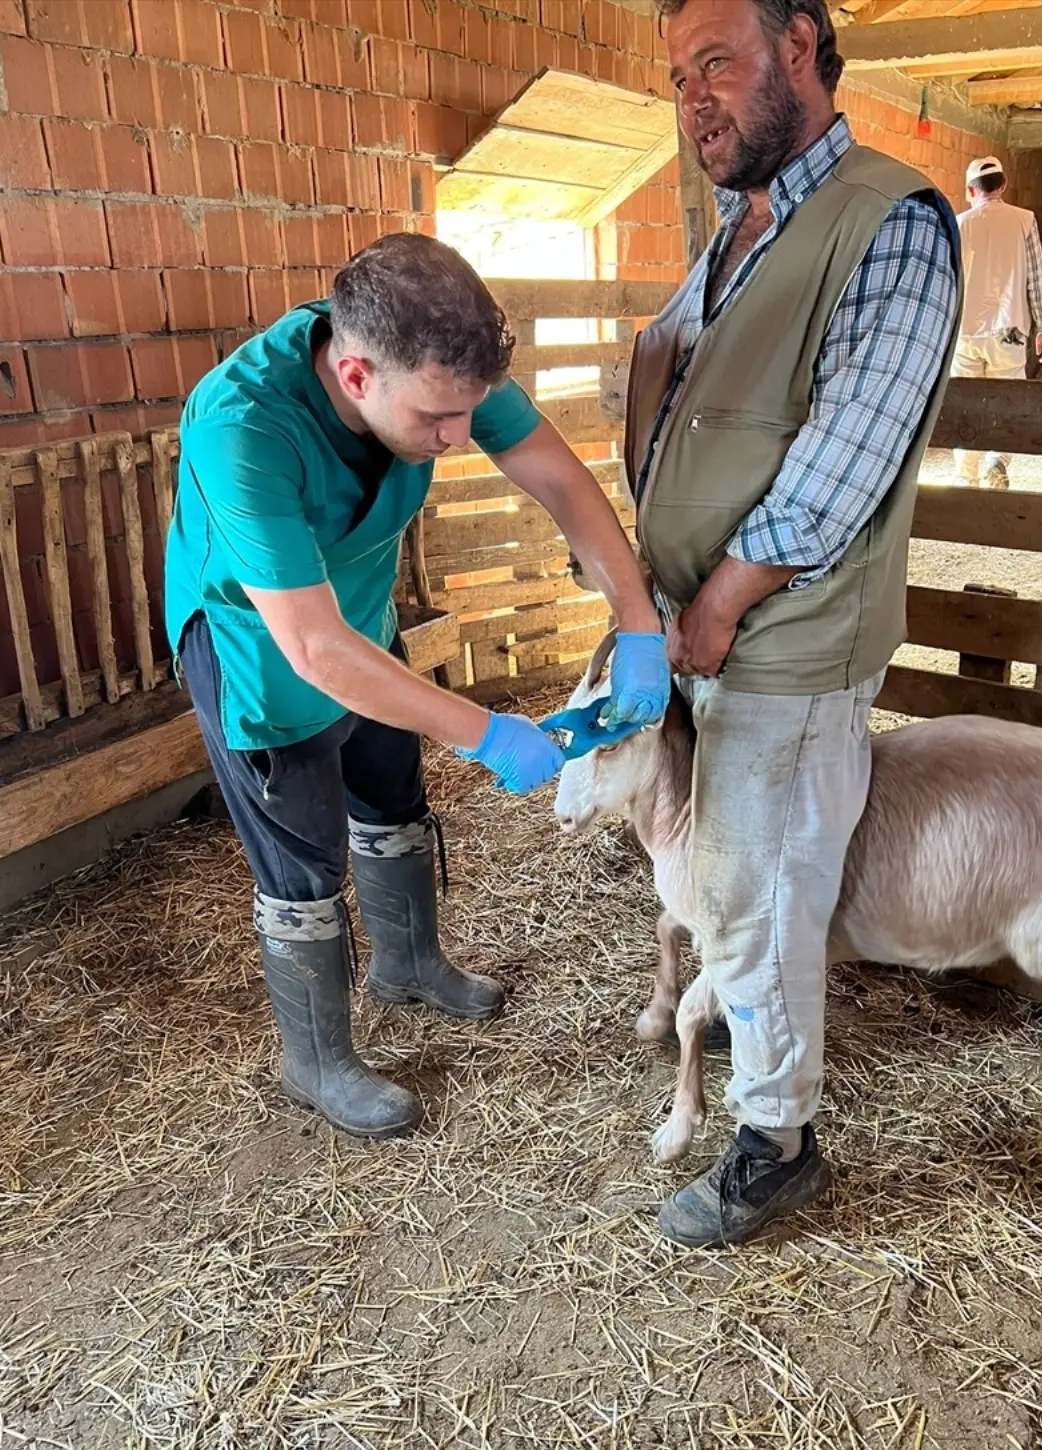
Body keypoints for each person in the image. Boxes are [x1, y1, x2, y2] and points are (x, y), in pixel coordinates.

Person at [165, 234, 668, 1140]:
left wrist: (638, 622)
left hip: (357, 613)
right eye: (439, 419)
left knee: (391, 792)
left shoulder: (441, 363)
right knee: (303, 848)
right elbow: (313, 650)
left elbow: (558, 478)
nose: (458, 438)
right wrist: (482, 729)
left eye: (469, 413)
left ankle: (407, 963)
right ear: (355, 376)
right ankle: (315, 1059)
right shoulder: (240, 428)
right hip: (260, 641)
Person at [630, 0, 962, 1247]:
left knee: (759, 894)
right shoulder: (735, 235)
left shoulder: (889, 222)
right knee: (725, 883)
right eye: (678, 77)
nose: (693, 97)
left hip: (783, 638)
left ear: (805, 46)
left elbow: (843, 455)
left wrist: (714, 602)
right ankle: (765, 1081)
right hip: (705, 635)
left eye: (717, 61)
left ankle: (776, 1141)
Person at [953, 155, 1042, 490]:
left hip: (966, 331)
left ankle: (965, 477)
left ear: (971, 189)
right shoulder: (1024, 220)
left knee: (965, 401)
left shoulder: (959, 223)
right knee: (1006, 398)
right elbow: (1037, 278)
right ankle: (996, 460)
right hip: (1010, 329)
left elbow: (948, 279)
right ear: (1005, 184)